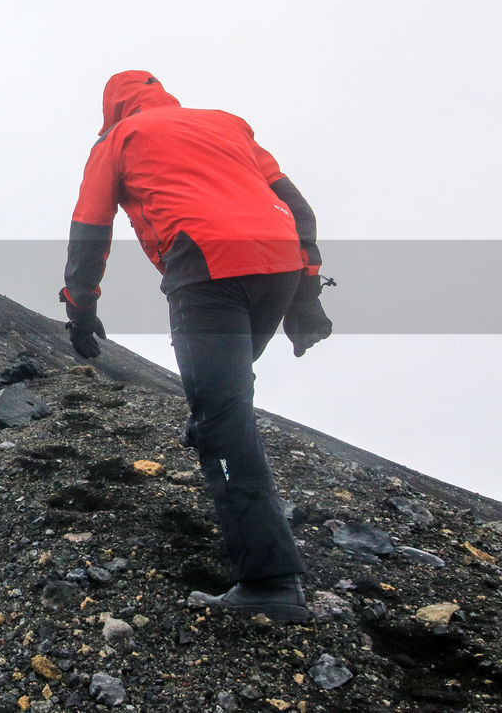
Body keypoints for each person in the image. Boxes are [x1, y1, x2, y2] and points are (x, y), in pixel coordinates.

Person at [59, 71, 332, 622]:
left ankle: (269, 582)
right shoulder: (226, 124)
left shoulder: (116, 141)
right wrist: (305, 296)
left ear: (112, 108)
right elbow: (298, 209)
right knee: (225, 389)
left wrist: (80, 306)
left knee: (223, 414)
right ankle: (207, 423)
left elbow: (90, 227)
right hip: (278, 264)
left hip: (206, 265)